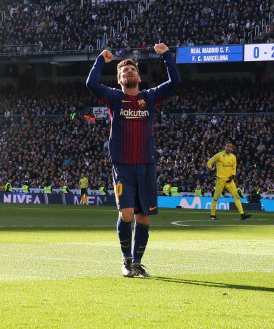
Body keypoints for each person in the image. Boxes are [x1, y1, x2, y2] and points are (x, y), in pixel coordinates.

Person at [86, 43, 180, 278]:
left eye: (132, 70)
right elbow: (91, 84)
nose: (129, 73)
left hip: (147, 165)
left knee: (144, 216)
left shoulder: (149, 98)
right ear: (119, 80)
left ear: (139, 76)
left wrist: (167, 56)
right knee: (126, 213)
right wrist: (100, 60)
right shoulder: (115, 98)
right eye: (124, 72)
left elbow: (175, 83)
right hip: (123, 166)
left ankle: (138, 263)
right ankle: (126, 261)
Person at [206, 141, 252, 221]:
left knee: (236, 196)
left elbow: (234, 168)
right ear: (225, 147)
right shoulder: (219, 155)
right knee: (216, 198)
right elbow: (209, 162)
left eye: (230, 147)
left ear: (232, 148)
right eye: (227, 146)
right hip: (220, 180)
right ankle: (212, 215)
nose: (228, 148)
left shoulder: (233, 157)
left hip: (229, 180)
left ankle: (242, 214)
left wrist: (233, 176)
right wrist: (211, 169)